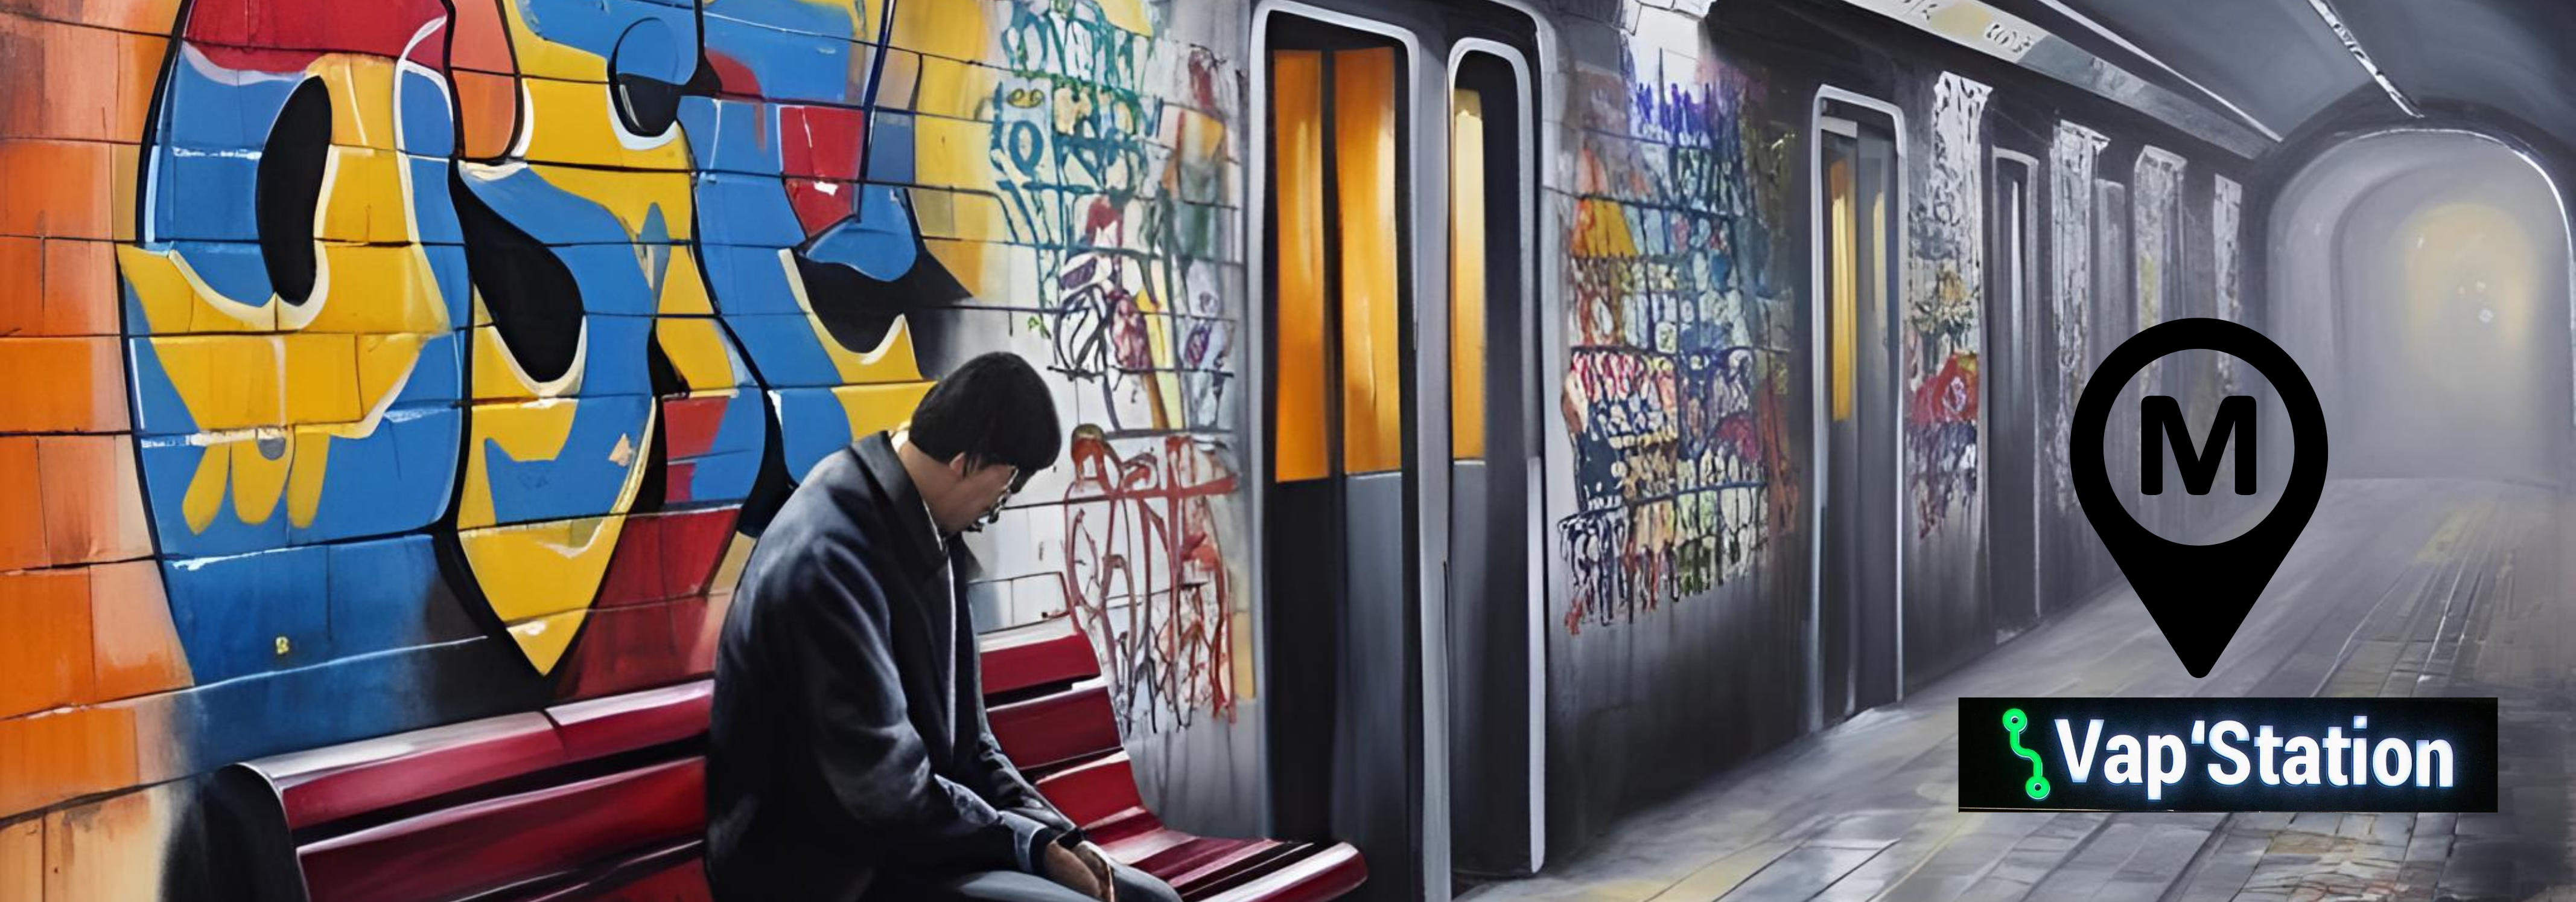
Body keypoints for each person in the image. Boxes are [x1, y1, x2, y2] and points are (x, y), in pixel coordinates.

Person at [706, 352, 1180, 902]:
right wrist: (1027, 846)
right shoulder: (827, 554)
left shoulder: (930, 525)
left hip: (916, 839)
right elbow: (884, 791)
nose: (996, 509)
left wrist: (1057, 838)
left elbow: (971, 747)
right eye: (1006, 489)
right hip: (822, 869)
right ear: (966, 462)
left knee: (1150, 899)